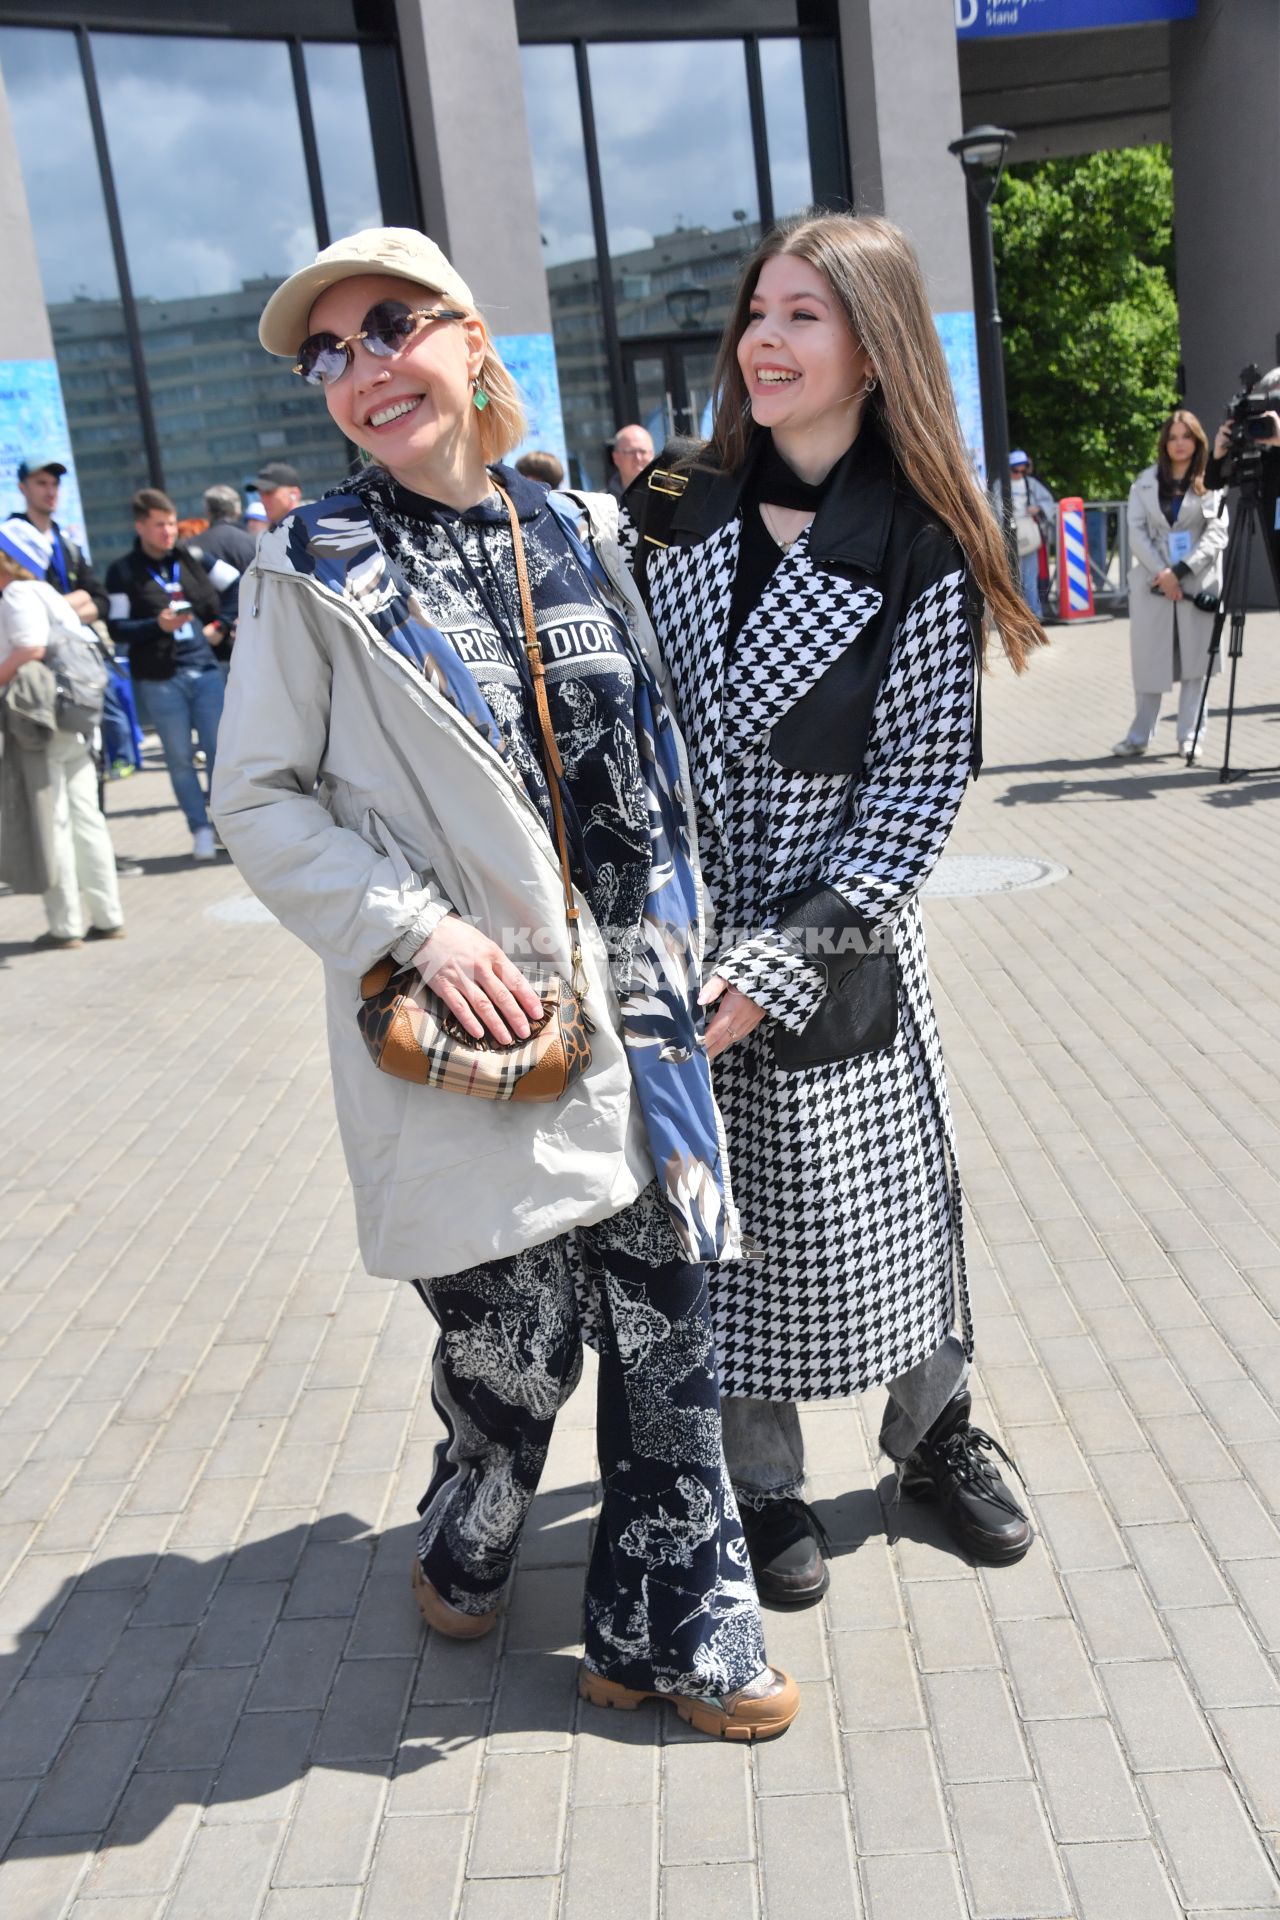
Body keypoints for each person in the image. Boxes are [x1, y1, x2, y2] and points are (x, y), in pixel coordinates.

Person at [211, 226, 798, 1742]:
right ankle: (472, 1520)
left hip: (643, 1000)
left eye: (387, 328)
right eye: (324, 355)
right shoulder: (312, 567)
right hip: (485, 1017)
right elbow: (258, 798)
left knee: (671, 1326)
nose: (357, 371)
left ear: (472, 342)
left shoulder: (584, 528)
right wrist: (418, 929)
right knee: (514, 1343)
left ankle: (665, 1628)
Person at [623, 212, 1045, 1607]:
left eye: (804, 314)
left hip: (838, 931)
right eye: (759, 310)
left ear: (874, 346)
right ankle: (762, 1481)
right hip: (696, 927)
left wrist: (791, 953)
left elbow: (920, 788)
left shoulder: (916, 536)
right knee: (722, 1224)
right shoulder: (679, 505)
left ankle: (935, 1437)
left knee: (888, 1203)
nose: (764, 337)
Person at [0, 531, 125, 948]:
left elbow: (30, 649)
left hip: (43, 722)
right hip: (77, 721)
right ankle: (108, 915)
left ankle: (65, 925)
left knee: (52, 819)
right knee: (87, 818)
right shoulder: (50, 593)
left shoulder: (17, 593)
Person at [105, 488, 226, 860]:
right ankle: (200, 829)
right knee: (179, 759)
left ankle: (227, 827)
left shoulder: (191, 556)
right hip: (160, 678)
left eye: (172, 523)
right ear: (141, 527)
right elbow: (118, 628)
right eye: (159, 525)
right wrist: (157, 625)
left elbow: (239, 582)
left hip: (204, 668)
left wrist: (223, 623)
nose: (168, 532)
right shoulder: (124, 571)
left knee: (220, 752)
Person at [1114, 411, 1227, 761]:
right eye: (1174, 437)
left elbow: (1217, 533)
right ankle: (1139, 736)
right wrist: (1164, 574)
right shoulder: (1145, 483)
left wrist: (1179, 571)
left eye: (1187, 436)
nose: (1180, 443)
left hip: (1196, 581)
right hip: (1154, 583)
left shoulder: (1212, 482)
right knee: (1150, 662)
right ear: (1165, 443)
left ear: (1198, 442)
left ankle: (1190, 737)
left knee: (1196, 664)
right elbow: (1137, 533)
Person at [193, 484, 257, 674]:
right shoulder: (255, 543)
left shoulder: (193, 548)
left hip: (211, 646)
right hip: (254, 641)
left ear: (207, 512)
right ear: (237, 510)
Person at [1009, 451, 1055, 618]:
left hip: (1028, 534)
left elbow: (1048, 501)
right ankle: (1016, 616)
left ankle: (1035, 614)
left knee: (1030, 577)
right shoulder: (1001, 483)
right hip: (1008, 535)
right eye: (1015, 470)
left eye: (1023, 470)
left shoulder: (1031, 483)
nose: (1019, 474)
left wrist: (1038, 508)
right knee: (1011, 578)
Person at [608, 424, 654, 499]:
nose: (638, 458)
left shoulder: (668, 499)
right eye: (631, 452)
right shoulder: (600, 506)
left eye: (643, 451)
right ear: (616, 458)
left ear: (652, 454)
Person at [253, 461, 304, 526]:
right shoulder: (266, 534)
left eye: (269, 492)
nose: (262, 500)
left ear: (294, 494)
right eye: (260, 494)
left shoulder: (317, 525)